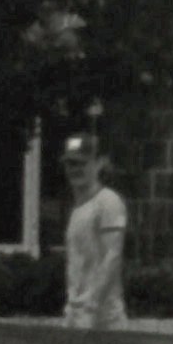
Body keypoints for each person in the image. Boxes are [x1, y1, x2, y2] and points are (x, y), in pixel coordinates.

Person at [60, 137, 129, 329]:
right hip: (75, 313)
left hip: (104, 318)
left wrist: (92, 305)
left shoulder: (108, 202)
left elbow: (112, 256)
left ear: (98, 164)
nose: (75, 169)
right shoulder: (77, 208)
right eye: (70, 164)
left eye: (82, 163)